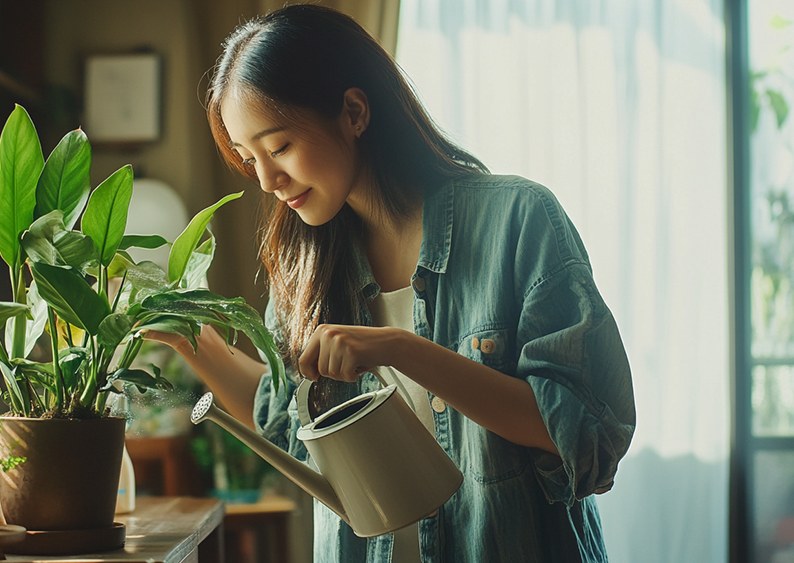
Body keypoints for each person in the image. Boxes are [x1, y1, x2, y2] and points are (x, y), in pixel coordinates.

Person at [147, 4, 635, 562]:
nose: (267, 180)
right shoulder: (306, 264)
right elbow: (283, 420)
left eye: (278, 147)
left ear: (353, 111)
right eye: (247, 157)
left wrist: (402, 349)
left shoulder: (518, 220)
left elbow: (584, 434)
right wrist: (188, 336)